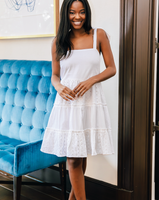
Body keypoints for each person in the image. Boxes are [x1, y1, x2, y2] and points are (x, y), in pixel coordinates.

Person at [41, 0, 116, 199]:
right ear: (66, 14)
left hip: (90, 100)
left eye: (82, 12)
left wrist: (91, 80)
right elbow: (55, 75)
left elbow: (111, 68)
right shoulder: (58, 41)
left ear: (87, 13)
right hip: (69, 102)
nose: (77, 17)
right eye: (72, 12)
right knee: (73, 158)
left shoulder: (98, 35)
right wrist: (58, 86)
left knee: (80, 154)